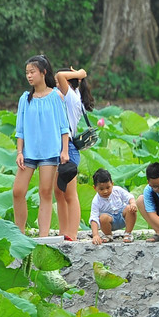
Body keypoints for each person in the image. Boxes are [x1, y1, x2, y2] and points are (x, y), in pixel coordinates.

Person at [12, 55, 71, 237]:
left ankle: (43, 236)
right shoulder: (25, 98)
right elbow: (20, 129)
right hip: (28, 152)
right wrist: (19, 151)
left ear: (43, 73)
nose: (29, 76)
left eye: (32, 72)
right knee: (17, 191)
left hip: (49, 151)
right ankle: (20, 233)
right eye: (27, 73)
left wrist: (65, 150)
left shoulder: (55, 96)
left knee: (45, 193)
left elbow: (64, 127)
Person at [55, 67, 95, 239]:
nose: (55, 84)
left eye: (58, 84)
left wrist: (80, 73)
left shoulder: (71, 96)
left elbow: (59, 75)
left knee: (70, 194)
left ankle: (72, 233)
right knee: (59, 193)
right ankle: (64, 231)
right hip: (59, 147)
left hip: (68, 149)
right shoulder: (72, 96)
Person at [89, 168, 138, 244]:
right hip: (109, 222)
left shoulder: (117, 190)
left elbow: (129, 197)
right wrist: (95, 235)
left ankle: (128, 233)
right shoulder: (96, 201)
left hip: (123, 217)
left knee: (129, 208)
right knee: (103, 218)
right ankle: (108, 235)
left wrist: (133, 204)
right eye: (101, 189)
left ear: (112, 184)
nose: (105, 191)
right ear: (95, 188)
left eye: (108, 187)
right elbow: (94, 218)